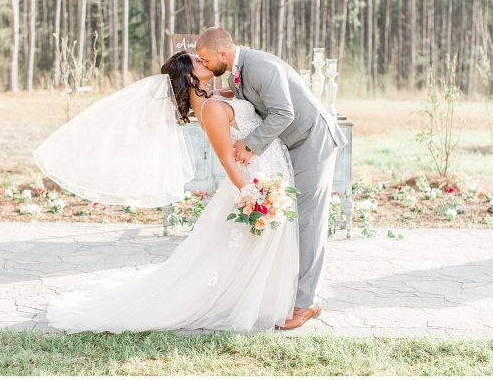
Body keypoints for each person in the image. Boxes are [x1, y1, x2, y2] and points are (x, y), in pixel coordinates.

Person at [38, 51, 299, 333]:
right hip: (252, 182)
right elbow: (226, 159)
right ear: (189, 76)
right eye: (198, 62)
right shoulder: (210, 109)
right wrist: (254, 197)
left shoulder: (213, 98)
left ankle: (262, 297)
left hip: (263, 173)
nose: (204, 62)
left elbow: (238, 96)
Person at [196, 27, 348, 330]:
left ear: (222, 55)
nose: (205, 66)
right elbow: (248, 96)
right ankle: (296, 292)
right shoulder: (237, 71)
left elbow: (283, 112)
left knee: (309, 222)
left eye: (206, 60)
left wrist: (250, 145)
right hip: (296, 146)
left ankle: (308, 303)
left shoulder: (260, 66)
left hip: (312, 142)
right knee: (297, 222)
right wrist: (215, 94)